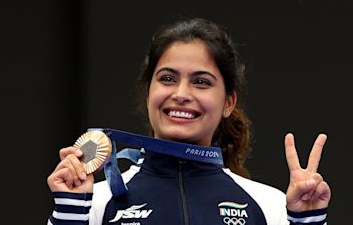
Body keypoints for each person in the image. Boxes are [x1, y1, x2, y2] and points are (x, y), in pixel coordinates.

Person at [47, 18, 330, 225]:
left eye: (201, 82)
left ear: (228, 103)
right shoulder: (95, 201)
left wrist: (308, 221)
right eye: (168, 79)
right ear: (149, 94)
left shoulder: (271, 206)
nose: (181, 94)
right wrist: (71, 213)